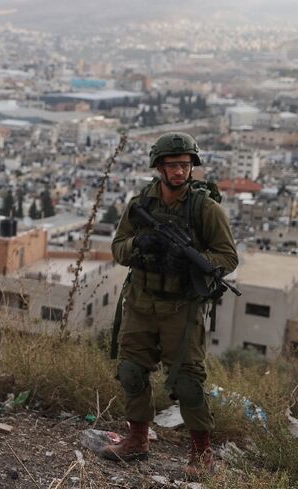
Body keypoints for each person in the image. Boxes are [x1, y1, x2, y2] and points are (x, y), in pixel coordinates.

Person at [106, 132, 238, 478]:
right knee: (131, 371)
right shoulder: (141, 204)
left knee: (187, 382)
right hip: (140, 302)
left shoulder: (205, 209)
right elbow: (118, 248)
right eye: (172, 165)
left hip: (182, 308)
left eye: (185, 164)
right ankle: (137, 439)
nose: (179, 171)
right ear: (159, 167)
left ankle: (201, 452)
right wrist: (141, 244)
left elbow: (227, 257)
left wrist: (194, 262)